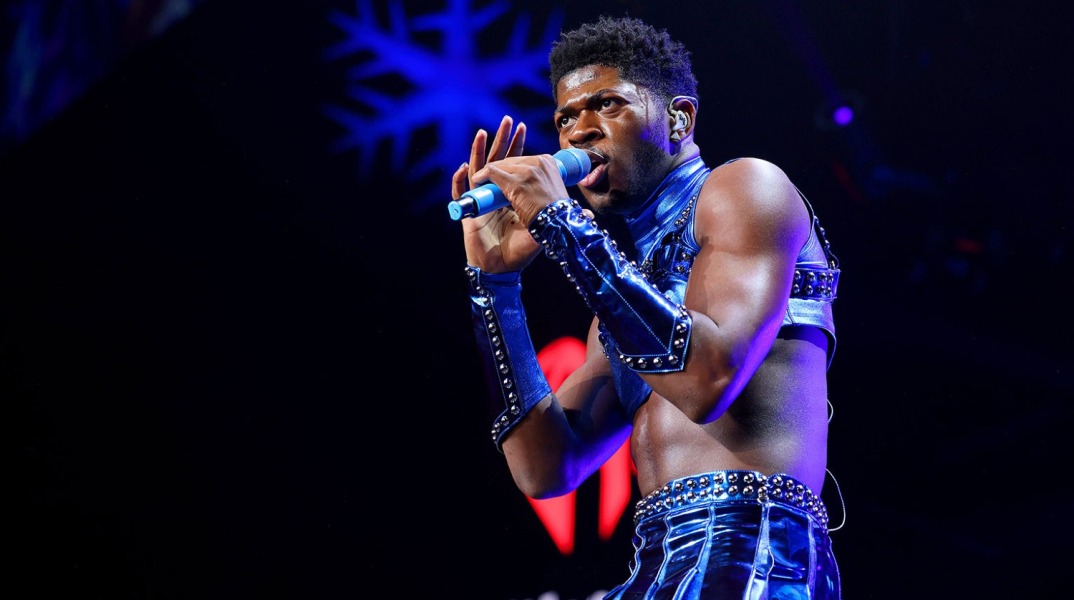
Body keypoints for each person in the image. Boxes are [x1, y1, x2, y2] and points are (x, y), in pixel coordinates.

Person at [451, 14, 842, 599]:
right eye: (565, 119)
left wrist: (561, 225)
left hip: (754, 553)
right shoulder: (621, 305)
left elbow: (707, 382)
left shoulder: (744, 188)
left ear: (679, 119)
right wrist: (495, 284)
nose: (579, 132)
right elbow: (546, 468)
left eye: (606, 105)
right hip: (658, 563)